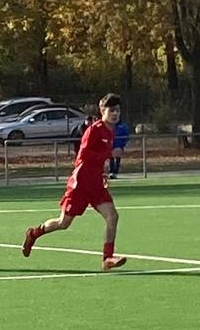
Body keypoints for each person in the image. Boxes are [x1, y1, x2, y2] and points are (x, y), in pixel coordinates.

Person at [21, 94, 127, 271]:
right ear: (102, 111)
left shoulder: (111, 131)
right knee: (63, 223)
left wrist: (102, 172)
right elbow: (82, 157)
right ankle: (34, 233)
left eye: (117, 110)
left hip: (96, 185)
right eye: (111, 110)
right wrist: (109, 154)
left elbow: (99, 158)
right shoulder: (94, 130)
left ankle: (107, 258)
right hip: (81, 184)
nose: (115, 114)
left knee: (112, 216)